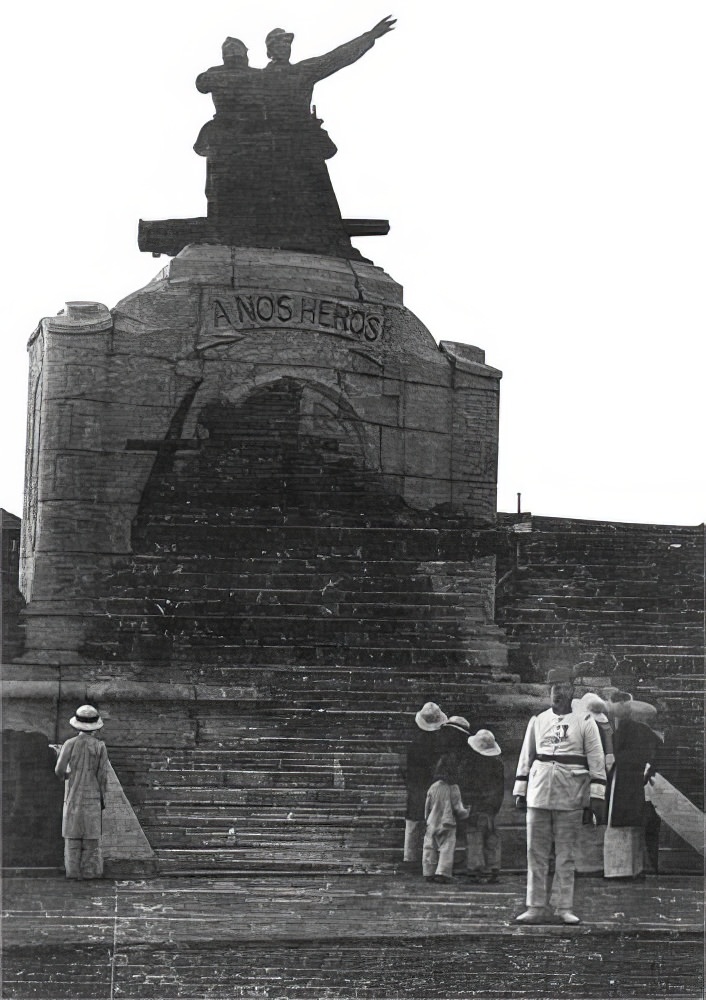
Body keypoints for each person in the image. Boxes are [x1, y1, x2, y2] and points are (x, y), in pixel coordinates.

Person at [513, 667, 607, 924]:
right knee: (536, 851)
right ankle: (534, 906)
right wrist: (521, 790)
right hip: (539, 791)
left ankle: (563, 906)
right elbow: (526, 756)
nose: (558, 692)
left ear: (572, 690)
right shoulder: (538, 720)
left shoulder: (585, 722)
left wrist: (596, 797)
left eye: (563, 687)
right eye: (553, 688)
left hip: (571, 793)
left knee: (566, 854)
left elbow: (597, 761)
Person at [603, 691, 662, 879]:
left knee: (622, 824)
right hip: (634, 778)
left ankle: (619, 870)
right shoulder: (645, 732)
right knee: (632, 825)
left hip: (623, 779)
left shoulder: (624, 730)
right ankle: (634, 868)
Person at [54, 705, 109, 879]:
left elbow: (59, 769)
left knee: (72, 836)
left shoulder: (69, 744)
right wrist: (102, 798)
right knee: (91, 838)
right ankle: (89, 874)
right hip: (93, 795)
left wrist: (68, 775)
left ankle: (73, 873)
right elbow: (102, 776)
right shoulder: (100, 747)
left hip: (73, 795)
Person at [401, 702, 447, 868]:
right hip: (432, 783)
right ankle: (430, 858)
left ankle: (410, 856)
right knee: (432, 821)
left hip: (416, 784)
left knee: (413, 820)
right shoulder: (440, 743)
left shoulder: (414, 743)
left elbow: (406, 767)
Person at [465, 729, 504, 883]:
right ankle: (493, 868)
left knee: (475, 837)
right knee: (492, 838)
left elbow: (467, 785)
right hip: (492, 806)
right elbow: (500, 788)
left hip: (476, 806)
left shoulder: (472, 764)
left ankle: (476, 870)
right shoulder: (498, 764)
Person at [422, 759, 470, 883]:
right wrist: (467, 813)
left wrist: (426, 819)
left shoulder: (433, 787)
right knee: (446, 848)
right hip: (447, 822)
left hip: (432, 822)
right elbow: (458, 807)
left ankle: (428, 871)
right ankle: (442, 872)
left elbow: (427, 806)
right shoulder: (454, 788)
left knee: (430, 847)